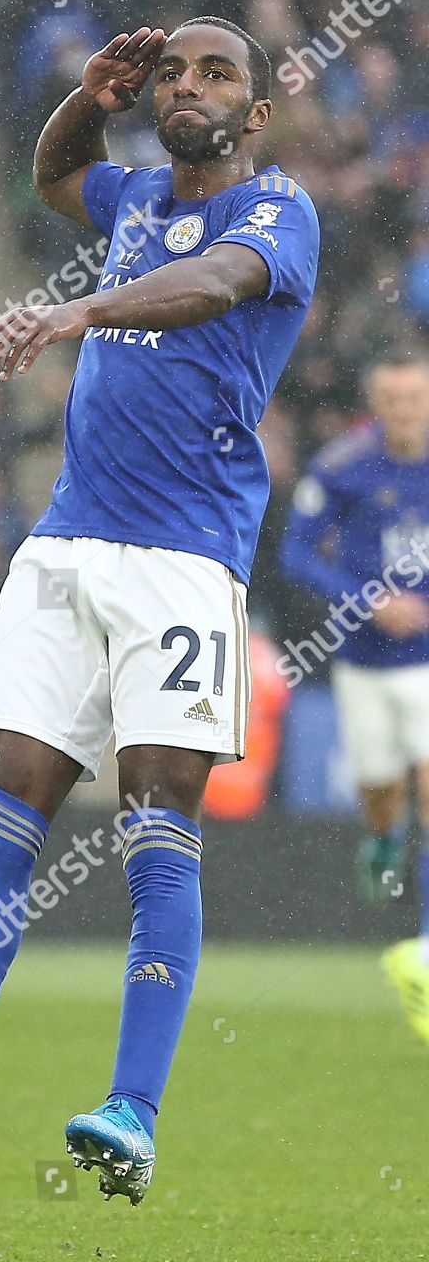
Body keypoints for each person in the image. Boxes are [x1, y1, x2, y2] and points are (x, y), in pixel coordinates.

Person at [0, 18, 319, 1205]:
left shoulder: (277, 209)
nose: (188, 84)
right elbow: (48, 174)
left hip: (185, 562)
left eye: (217, 74)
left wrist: (76, 315)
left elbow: (212, 286)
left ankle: (132, 1112)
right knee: (0, 800)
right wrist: (86, 100)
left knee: (155, 820)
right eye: (175, 70)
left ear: (252, 115)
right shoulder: (132, 188)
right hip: (66, 547)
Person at [279, 350, 429, 1039]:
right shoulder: (344, 466)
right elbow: (297, 553)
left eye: (416, 400)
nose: (406, 412)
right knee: (381, 793)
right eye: (394, 401)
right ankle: (380, 839)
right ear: (377, 403)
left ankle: (424, 945)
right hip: (364, 661)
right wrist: (367, 598)